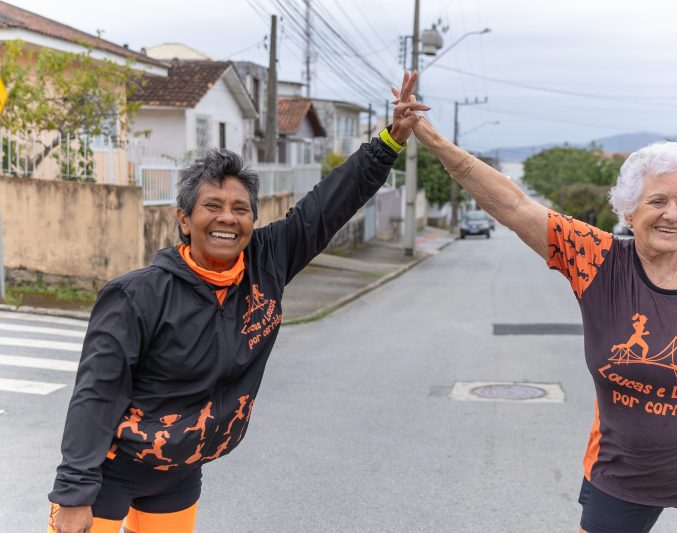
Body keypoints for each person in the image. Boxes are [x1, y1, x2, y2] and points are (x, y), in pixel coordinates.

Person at [394, 73, 677, 533]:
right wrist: (433, 138)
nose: (672, 213)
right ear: (627, 210)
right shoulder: (596, 259)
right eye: (657, 200)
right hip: (624, 472)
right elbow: (514, 206)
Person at [48, 72, 429, 533]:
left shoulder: (267, 262)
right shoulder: (136, 295)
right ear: (184, 220)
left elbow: (329, 204)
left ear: (252, 218)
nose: (227, 217)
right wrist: (73, 494)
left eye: (240, 208)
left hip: (181, 473)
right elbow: (96, 393)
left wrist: (388, 141)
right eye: (212, 206)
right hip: (109, 474)